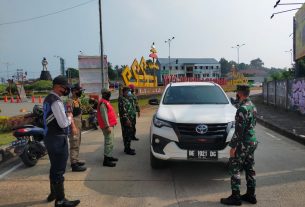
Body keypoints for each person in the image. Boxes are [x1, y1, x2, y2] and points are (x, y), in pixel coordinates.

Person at [43, 75, 80, 207]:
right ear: (58, 87)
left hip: (50, 137)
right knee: (59, 170)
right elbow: (63, 123)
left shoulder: (48, 98)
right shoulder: (56, 101)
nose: (67, 90)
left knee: (54, 168)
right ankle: (60, 200)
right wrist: (69, 117)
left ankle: (53, 193)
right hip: (58, 139)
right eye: (65, 88)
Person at [220, 85, 258, 206]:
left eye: (237, 92)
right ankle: (251, 195)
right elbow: (254, 124)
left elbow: (239, 131)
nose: (236, 94)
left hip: (243, 143)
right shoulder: (252, 106)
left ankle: (235, 197)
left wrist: (233, 147)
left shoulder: (242, 109)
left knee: (235, 168)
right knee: (250, 168)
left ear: (240, 94)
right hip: (252, 141)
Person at [66, 83, 87, 172]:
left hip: (78, 126)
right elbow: (69, 115)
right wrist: (73, 127)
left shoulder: (77, 100)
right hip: (74, 126)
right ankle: (74, 164)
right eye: (79, 91)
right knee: (74, 144)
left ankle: (76, 160)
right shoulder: (70, 101)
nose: (80, 92)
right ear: (74, 91)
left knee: (77, 143)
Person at [97, 88, 119, 167]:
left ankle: (109, 156)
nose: (109, 94)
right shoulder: (103, 103)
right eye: (108, 93)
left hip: (110, 125)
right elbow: (104, 116)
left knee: (111, 142)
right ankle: (106, 160)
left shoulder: (106, 102)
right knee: (108, 142)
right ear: (104, 94)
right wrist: (107, 126)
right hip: (107, 126)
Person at [118, 86, 136, 155]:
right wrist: (127, 120)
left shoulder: (126, 98)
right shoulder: (121, 99)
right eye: (128, 91)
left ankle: (128, 148)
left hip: (129, 119)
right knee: (126, 134)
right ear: (124, 92)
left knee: (128, 134)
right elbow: (122, 111)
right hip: (126, 120)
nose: (129, 92)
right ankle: (127, 149)